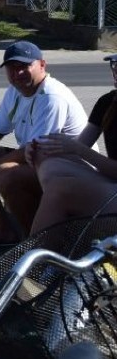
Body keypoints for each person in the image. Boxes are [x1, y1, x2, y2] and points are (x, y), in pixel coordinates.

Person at [0, 40, 89, 247]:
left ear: (42, 65)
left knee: (7, 173)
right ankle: (3, 230)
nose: (17, 74)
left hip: (71, 171)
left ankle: (37, 245)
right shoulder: (15, 91)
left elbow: (33, 150)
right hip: (41, 164)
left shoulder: (52, 97)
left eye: (24, 67)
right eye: (12, 68)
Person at [27, 54, 117, 234]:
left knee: (60, 190)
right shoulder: (108, 101)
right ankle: (68, 229)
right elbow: (78, 146)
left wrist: (78, 149)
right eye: (114, 64)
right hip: (112, 184)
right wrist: (39, 147)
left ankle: (39, 256)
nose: (115, 70)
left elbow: (80, 149)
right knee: (47, 160)